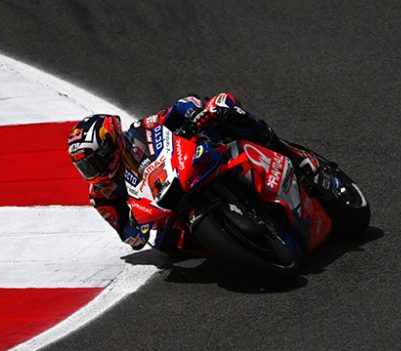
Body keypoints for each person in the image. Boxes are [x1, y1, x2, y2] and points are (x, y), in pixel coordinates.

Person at [66, 92, 333, 253]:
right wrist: (135, 232)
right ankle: (236, 243)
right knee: (169, 248)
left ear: (111, 143)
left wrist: (194, 114)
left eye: (94, 161)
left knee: (223, 108)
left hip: (190, 162)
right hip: (164, 210)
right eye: (86, 167)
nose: (94, 170)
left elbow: (177, 108)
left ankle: (293, 157)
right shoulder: (101, 194)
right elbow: (125, 232)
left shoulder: (140, 129)